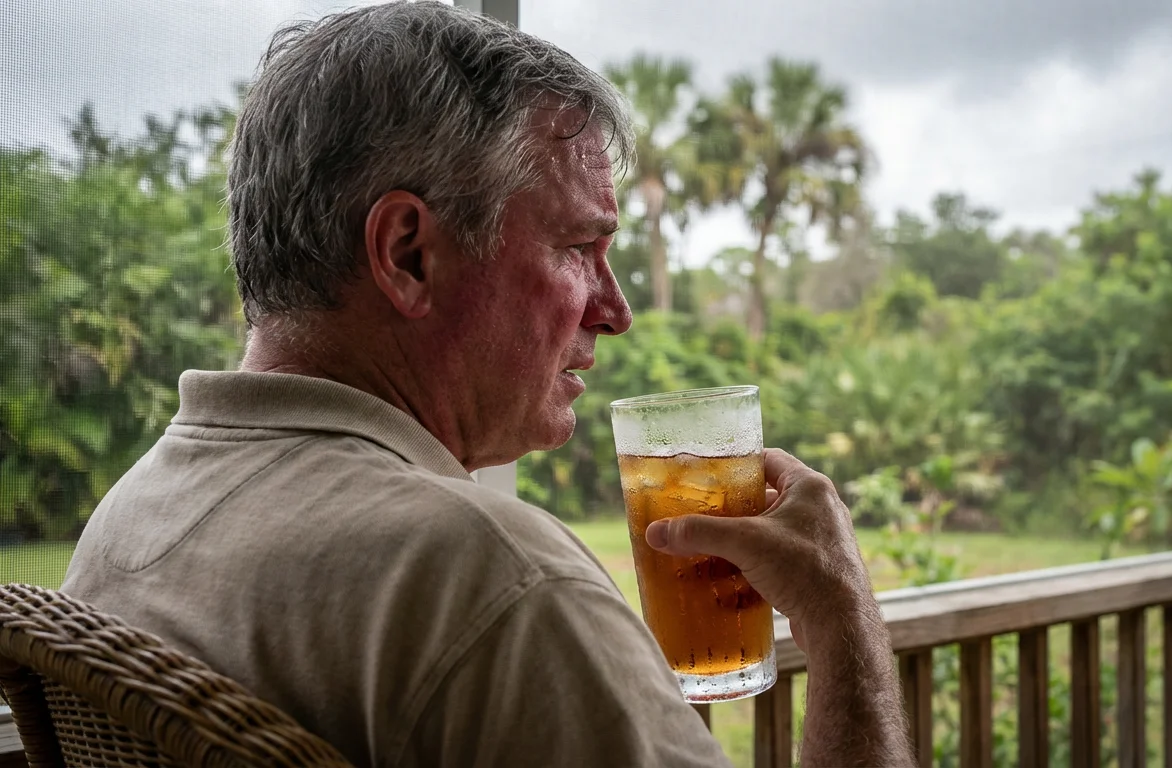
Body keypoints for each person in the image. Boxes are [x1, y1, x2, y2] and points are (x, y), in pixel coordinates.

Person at [61, 2, 911, 766]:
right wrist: (844, 625)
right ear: (408, 254)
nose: (615, 312)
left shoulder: (128, 523)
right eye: (579, 247)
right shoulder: (497, 584)